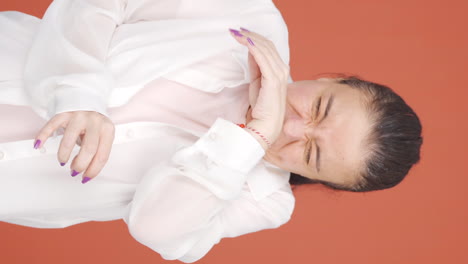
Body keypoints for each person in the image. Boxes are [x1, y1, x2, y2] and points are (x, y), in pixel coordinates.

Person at [0, 0, 423, 262]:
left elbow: (155, 230)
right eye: (319, 108)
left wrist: (249, 140)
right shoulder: (250, 17)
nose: (291, 127)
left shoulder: (264, 200)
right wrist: (77, 93)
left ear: (315, 178)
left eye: (310, 153)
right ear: (332, 79)